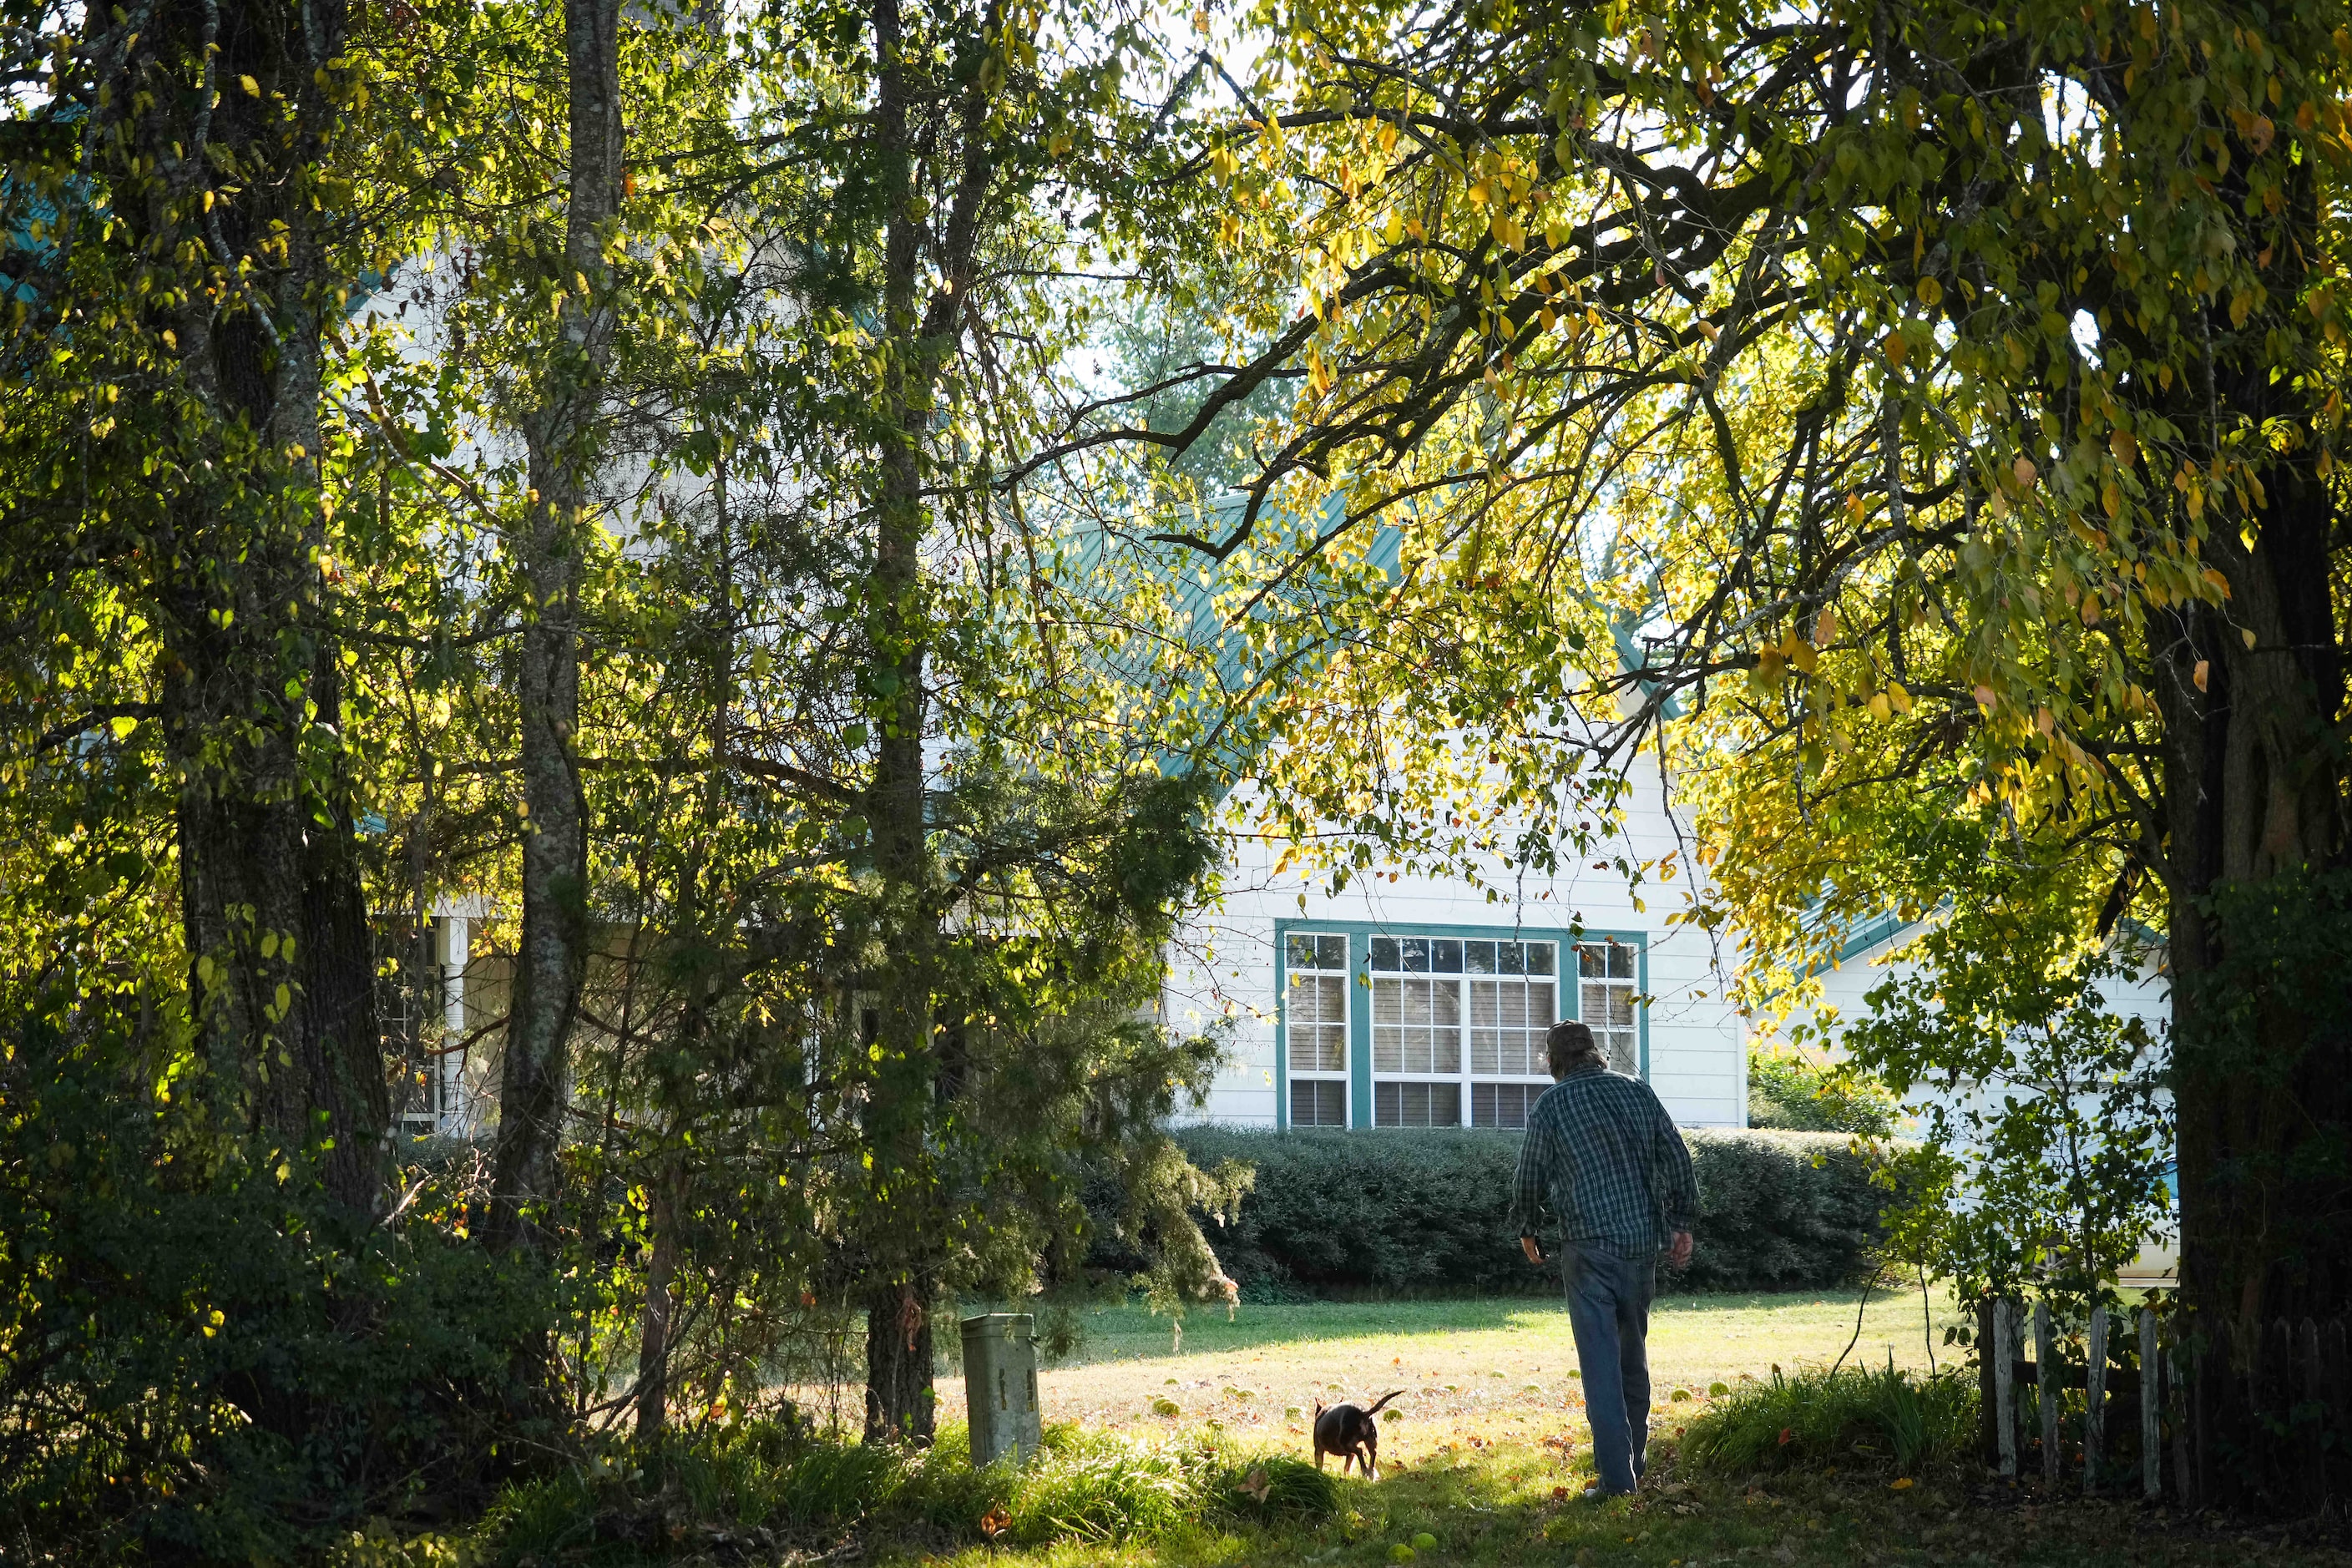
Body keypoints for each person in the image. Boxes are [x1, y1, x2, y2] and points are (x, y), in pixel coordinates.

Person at [1509, 1019, 1698, 1498]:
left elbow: (1529, 1173)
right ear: (1596, 1053)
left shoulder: (1552, 1104)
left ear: (1552, 1062)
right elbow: (1677, 1157)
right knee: (1632, 1356)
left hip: (1588, 1246)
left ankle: (1617, 1480)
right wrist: (1682, 1223)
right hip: (1640, 1245)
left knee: (1600, 1363)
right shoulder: (1638, 1092)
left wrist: (1527, 1226)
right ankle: (1634, 1458)